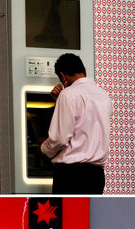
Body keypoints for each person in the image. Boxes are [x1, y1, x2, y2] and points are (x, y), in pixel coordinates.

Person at [40, 53, 113, 194]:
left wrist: (44, 149)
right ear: (84, 70)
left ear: (63, 76)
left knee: (67, 215)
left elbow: (60, 139)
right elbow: (85, 124)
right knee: (88, 214)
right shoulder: (104, 96)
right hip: (96, 176)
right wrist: (58, 102)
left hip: (70, 175)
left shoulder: (68, 95)